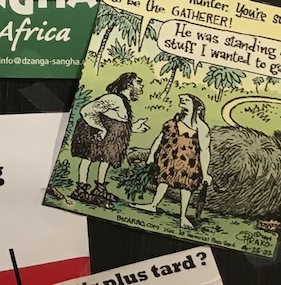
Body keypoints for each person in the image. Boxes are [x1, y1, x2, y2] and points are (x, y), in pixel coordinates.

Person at [69, 71, 150, 206]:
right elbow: (87, 110)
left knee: (106, 158)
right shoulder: (114, 99)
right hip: (93, 133)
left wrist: (133, 127)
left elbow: (116, 123)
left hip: (108, 138)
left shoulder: (123, 103)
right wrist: (101, 128)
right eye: (139, 82)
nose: (141, 86)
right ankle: (80, 190)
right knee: (87, 158)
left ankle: (100, 188)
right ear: (129, 85)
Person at [134, 93, 213, 229]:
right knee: (163, 181)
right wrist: (151, 155)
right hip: (169, 158)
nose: (182, 100)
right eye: (182, 99)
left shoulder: (201, 127)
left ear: (197, 107)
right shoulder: (174, 121)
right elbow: (160, 138)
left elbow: (205, 150)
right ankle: (153, 205)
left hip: (189, 162)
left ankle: (183, 216)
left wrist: (205, 173)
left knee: (186, 187)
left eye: (187, 100)